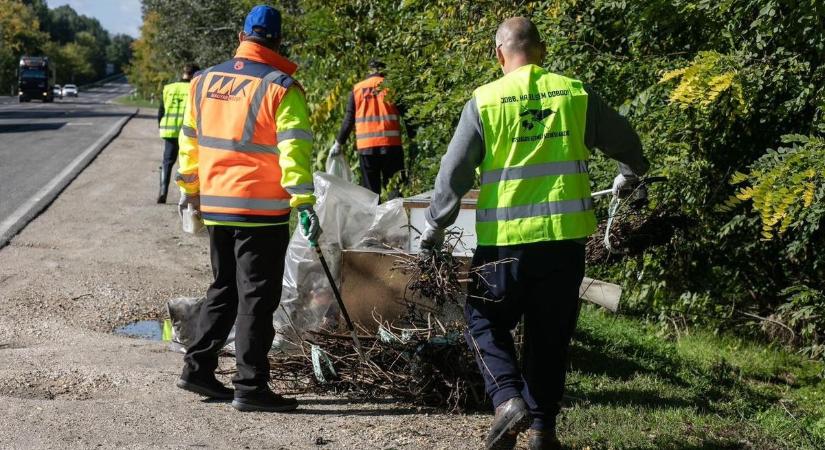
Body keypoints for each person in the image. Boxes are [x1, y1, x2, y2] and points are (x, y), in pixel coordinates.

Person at [419, 17, 649, 450]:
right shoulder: (574, 95)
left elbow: (454, 171)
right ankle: (542, 429)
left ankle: (507, 400)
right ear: (541, 51)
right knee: (550, 334)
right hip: (564, 243)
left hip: (506, 244)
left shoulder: (485, 101)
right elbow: (625, 139)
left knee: (483, 319)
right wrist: (630, 173)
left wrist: (435, 224)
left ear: (498, 54)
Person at [174, 5, 321, 413]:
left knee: (224, 288)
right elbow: (294, 148)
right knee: (257, 297)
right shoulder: (281, 87)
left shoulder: (203, 80)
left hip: (217, 204)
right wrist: (304, 201)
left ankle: (197, 367)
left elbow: (189, 141)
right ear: (276, 41)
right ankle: (250, 386)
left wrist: (191, 190)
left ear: (242, 35)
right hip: (260, 209)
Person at [329, 59, 414, 198]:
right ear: (383, 71)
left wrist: (339, 143)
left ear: (369, 71)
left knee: (370, 192)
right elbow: (408, 116)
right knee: (395, 188)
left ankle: (373, 219)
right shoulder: (392, 87)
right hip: (391, 146)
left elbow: (349, 119)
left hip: (367, 148)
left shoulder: (357, 89)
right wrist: (413, 138)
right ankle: (398, 218)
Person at [157, 63, 199, 203]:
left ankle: (163, 191)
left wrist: (160, 126)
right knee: (187, 165)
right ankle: (186, 196)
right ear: (194, 74)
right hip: (188, 133)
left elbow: (161, 111)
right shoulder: (195, 88)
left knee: (167, 162)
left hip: (170, 131)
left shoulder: (169, 88)